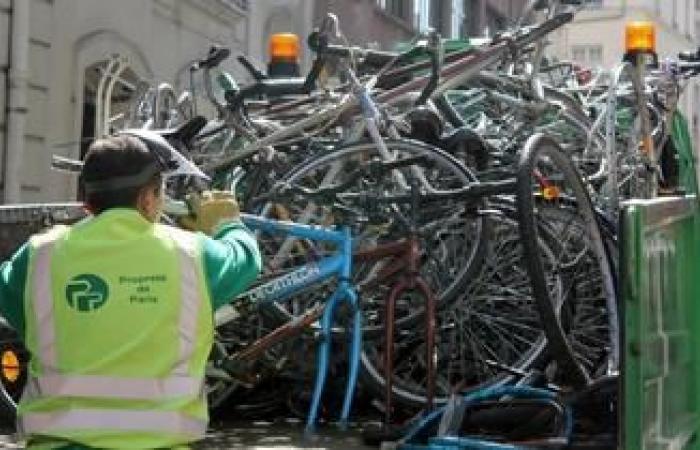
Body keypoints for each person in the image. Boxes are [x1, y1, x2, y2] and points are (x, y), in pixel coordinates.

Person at [0, 131, 262, 449]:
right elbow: (246, 259)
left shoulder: (39, 256)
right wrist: (227, 223)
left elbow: (23, 314)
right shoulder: (193, 255)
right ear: (148, 199)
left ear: (86, 200)